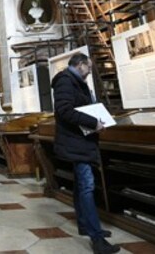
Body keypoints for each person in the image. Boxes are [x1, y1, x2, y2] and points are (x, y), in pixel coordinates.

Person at [52, 53, 119, 254]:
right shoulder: (66, 81)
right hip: (76, 141)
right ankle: (96, 237)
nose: (89, 72)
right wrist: (93, 122)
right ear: (80, 65)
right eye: (88, 68)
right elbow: (64, 110)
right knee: (87, 185)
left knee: (82, 185)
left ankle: (84, 224)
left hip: (80, 140)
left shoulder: (74, 81)